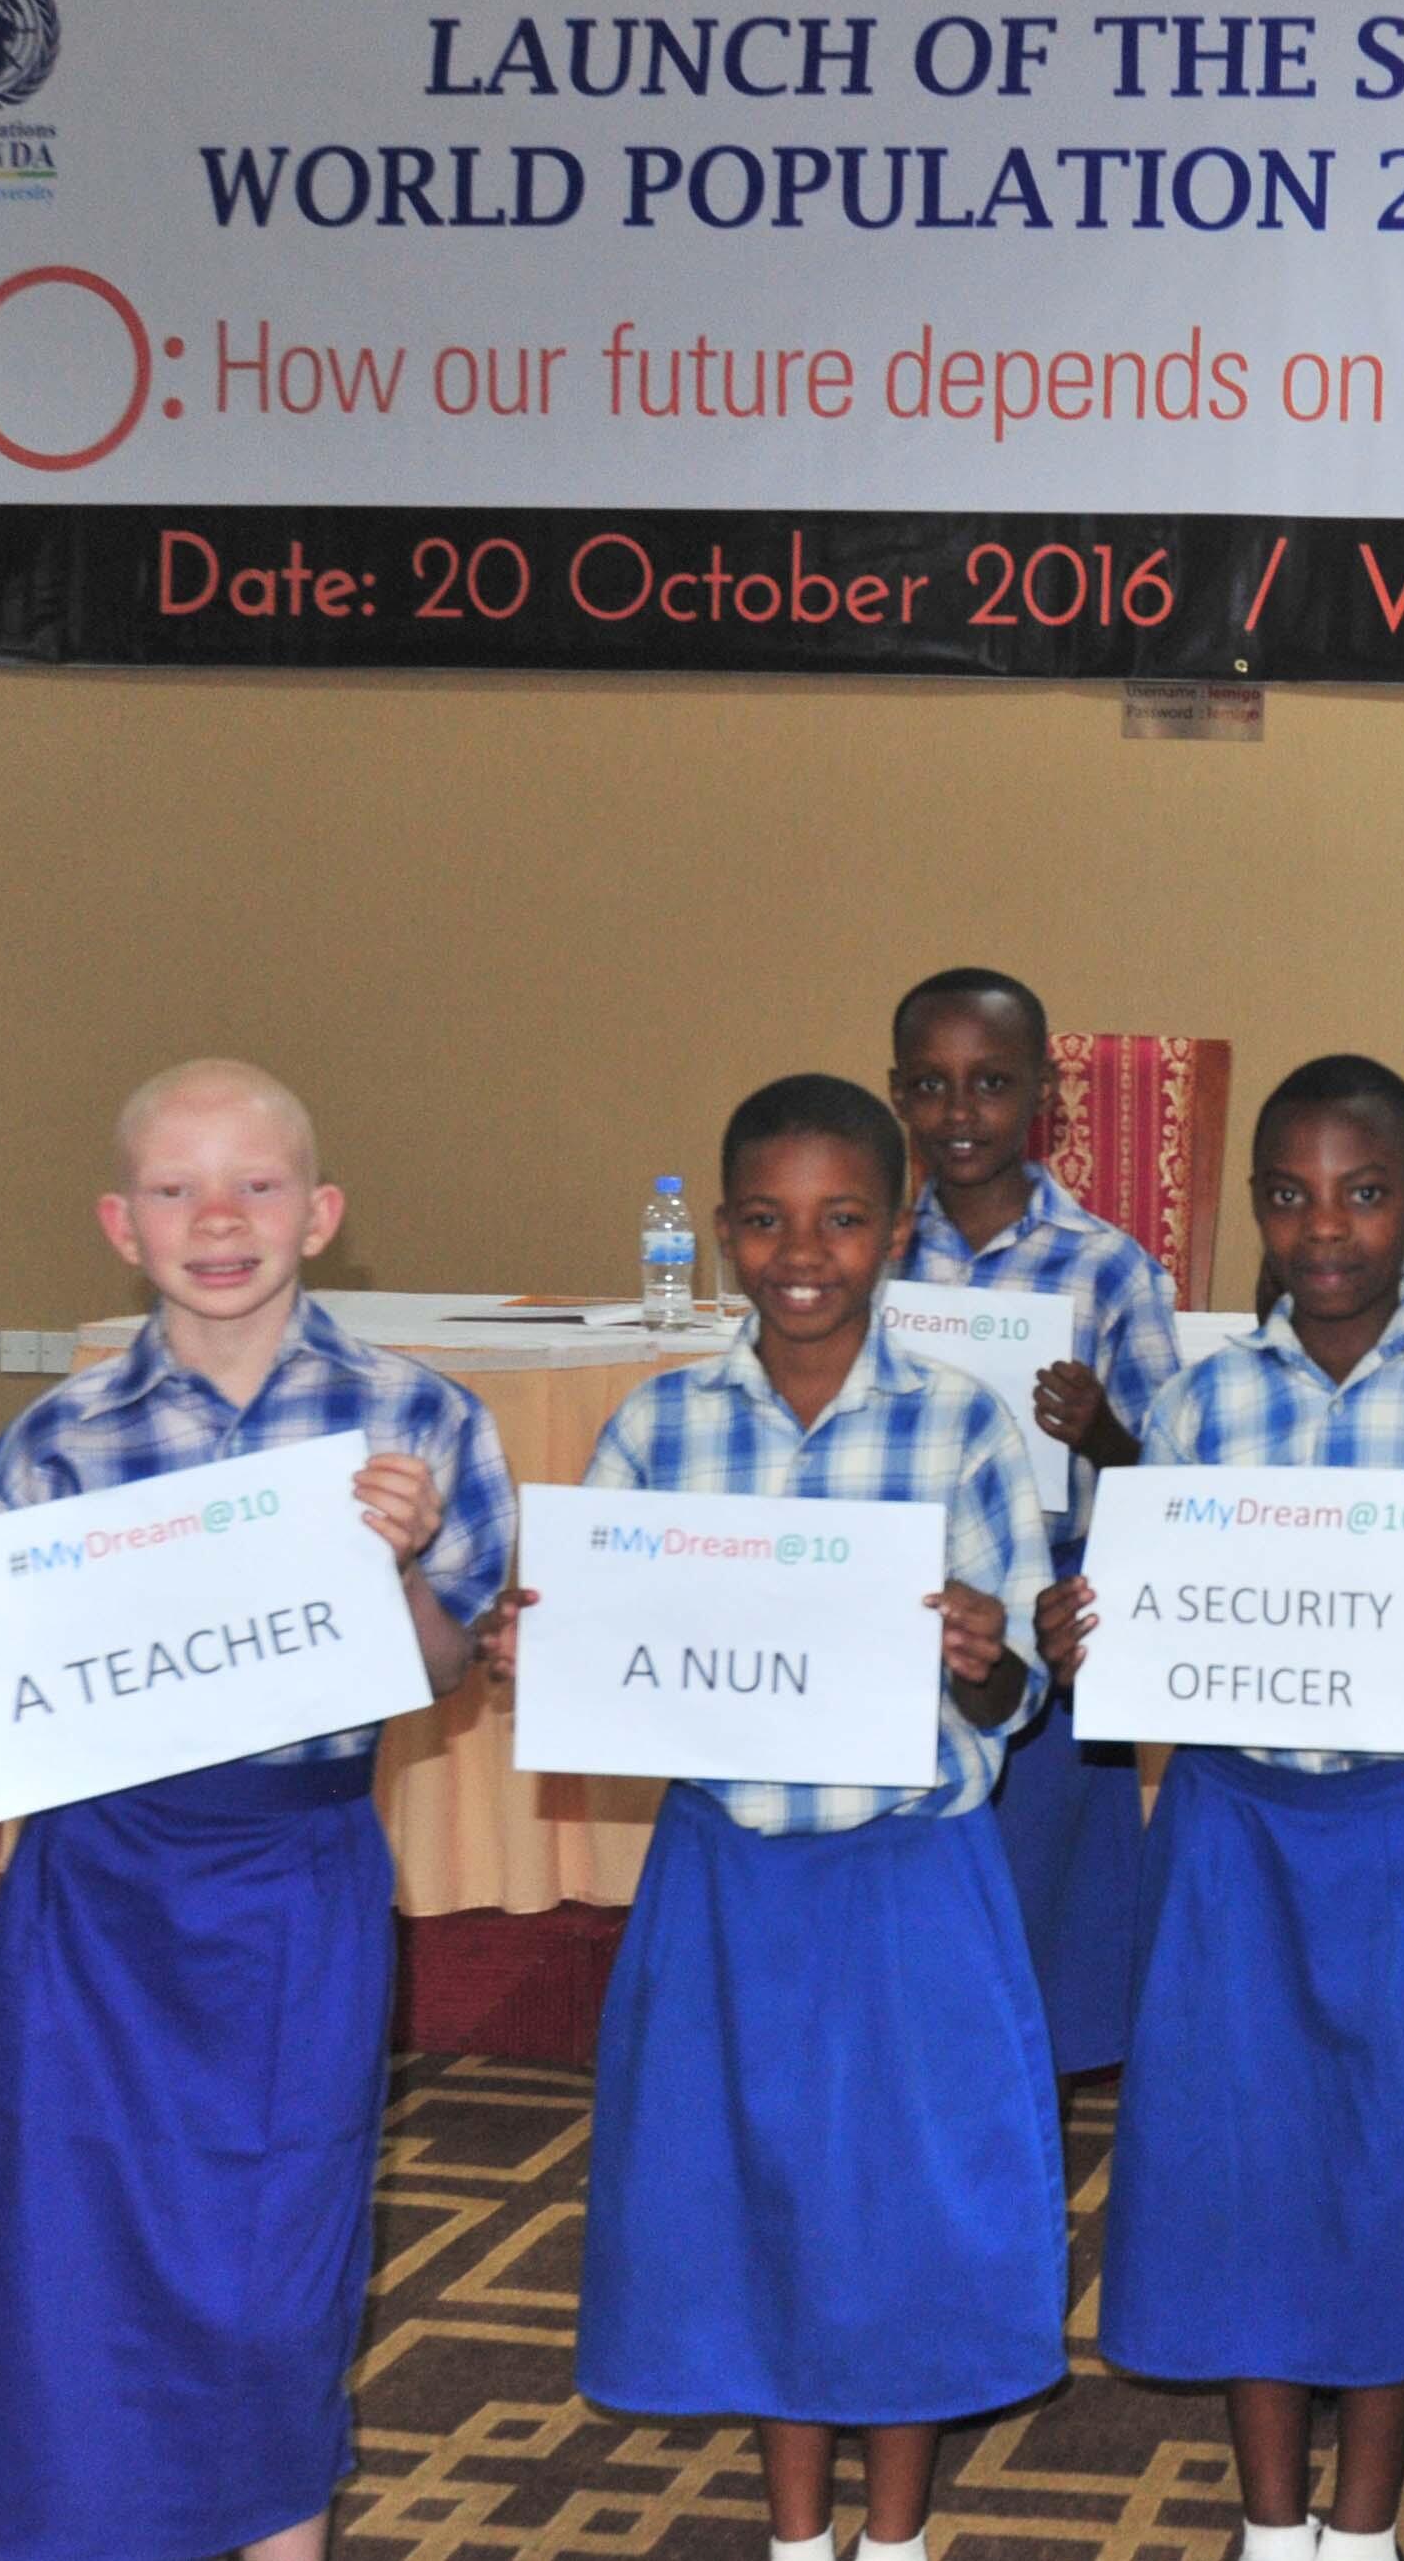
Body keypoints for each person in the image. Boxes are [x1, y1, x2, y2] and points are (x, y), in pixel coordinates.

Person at [0, 1060, 514, 2561]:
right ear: (119, 1222)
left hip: (292, 1879)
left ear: (324, 1212)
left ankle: (276, 2538)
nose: (217, 1221)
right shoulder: (55, 1440)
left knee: (274, 2242)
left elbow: (440, 1676)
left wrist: (405, 1566)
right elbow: (22, 1695)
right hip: (95, 1895)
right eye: (175, 1191)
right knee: (64, 2238)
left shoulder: (416, 1419)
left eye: (256, 1186)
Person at [486, 1074, 1063, 2561]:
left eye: (844, 1219)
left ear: (899, 1228)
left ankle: (894, 2530)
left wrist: (989, 1657)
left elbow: (1021, 1702)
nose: (803, 1253)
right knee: (753, 2192)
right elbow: (607, 1655)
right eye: (766, 1220)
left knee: (903, 2199)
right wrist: (540, 1645)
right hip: (730, 1884)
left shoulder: (961, 1428)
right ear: (728, 1232)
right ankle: (798, 2535)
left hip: (909, 1879)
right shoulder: (660, 1429)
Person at [1049, 1056, 1404, 2561]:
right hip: (1233, 1839)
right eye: (1288, 1195)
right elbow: (1136, 1607)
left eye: (1364, 1192)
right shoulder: (1197, 1406)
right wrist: (1085, 1630)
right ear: (1257, 1214)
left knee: (1400, 2164)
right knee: (1244, 2161)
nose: (1325, 1227)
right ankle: (1275, 2526)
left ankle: (1362, 2523)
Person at [886, 966, 1182, 2077]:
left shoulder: (1109, 1267)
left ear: (1040, 1098)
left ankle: (1023, 2149)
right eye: (930, 1084)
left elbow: (1178, 1493)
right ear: (897, 1094)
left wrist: (1104, 1434)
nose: (960, 1114)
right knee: (909, 1939)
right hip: (899, 1610)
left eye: (991, 1083)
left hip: (1044, 1632)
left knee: (1034, 1934)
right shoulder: (870, 1258)